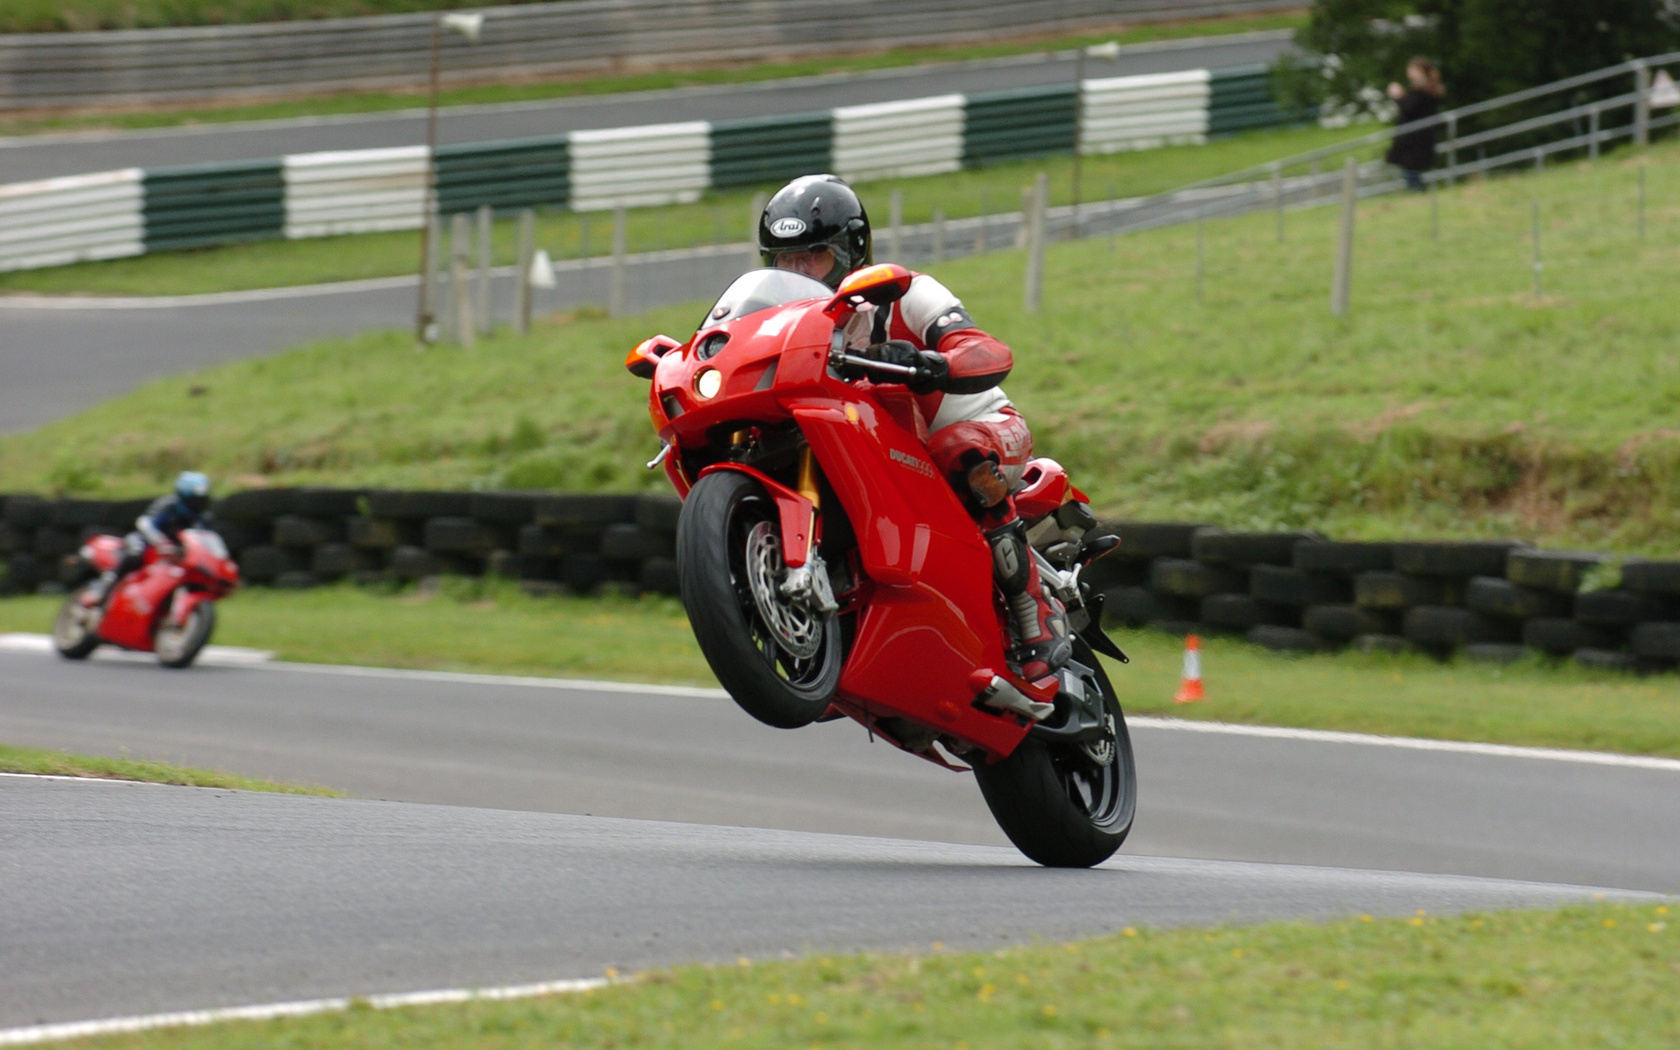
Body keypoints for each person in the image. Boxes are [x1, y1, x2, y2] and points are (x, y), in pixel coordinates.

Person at [757, 174, 1072, 682]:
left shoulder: (906, 292)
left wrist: (935, 363)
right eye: (784, 260)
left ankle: (1035, 615)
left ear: (849, 253)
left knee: (958, 448)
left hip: (980, 427)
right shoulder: (778, 326)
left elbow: (982, 347)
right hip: (882, 451)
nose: (799, 271)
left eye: (812, 256)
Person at [86, 471, 213, 606]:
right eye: (197, 498)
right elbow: (145, 523)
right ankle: (101, 589)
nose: (200, 502)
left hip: (175, 554)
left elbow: (204, 539)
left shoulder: (202, 518)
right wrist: (160, 542)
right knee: (135, 552)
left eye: (202, 498)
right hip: (147, 543)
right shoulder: (169, 506)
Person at [1386, 57, 1445, 191]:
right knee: (1412, 169)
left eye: (1413, 69)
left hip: (1415, 138)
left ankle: (1418, 193)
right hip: (1418, 137)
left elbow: (1410, 109)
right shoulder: (1427, 88)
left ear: (1422, 71)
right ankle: (1418, 193)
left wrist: (1398, 96)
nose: (1410, 72)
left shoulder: (1423, 90)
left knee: (1411, 170)